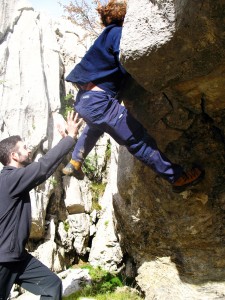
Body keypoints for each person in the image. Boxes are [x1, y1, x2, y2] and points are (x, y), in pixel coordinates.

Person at [62, 0, 204, 192]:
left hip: (85, 101)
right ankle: (177, 178)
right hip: (99, 103)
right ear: (125, 17)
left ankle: (75, 161)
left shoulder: (104, 36)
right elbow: (127, 60)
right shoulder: (117, 33)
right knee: (137, 140)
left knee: (95, 126)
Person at [0, 112, 82, 300]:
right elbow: (42, 168)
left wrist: (63, 144)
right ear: (14, 155)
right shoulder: (10, 179)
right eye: (24, 148)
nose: (29, 151)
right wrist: (70, 138)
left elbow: (43, 170)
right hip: (3, 259)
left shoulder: (14, 179)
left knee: (51, 285)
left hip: (17, 257)